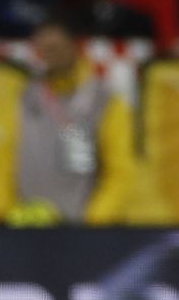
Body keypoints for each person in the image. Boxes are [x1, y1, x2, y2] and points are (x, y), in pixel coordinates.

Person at [14, 17, 137, 224]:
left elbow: (121, 171)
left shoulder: (105, 100)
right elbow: (6, 159)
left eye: (55, 48)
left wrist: (92, 223)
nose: (49, 57)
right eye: (43, 50)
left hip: (84, 230)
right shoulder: (25, 97)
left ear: (75, 46)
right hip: (26, 228)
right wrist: (4, 216)